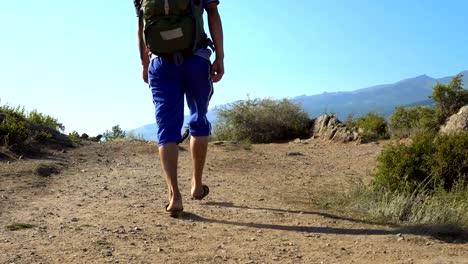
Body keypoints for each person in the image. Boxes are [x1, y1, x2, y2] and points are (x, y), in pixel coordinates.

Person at [135, 0, 224, 217]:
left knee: (166, 129)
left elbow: (141, 25)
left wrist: (144, 63)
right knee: (198, 119)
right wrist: (220, 57)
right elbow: (213, 13)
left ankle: (174, 196)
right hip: (196, 59)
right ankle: (197, 184)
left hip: (161, 63)